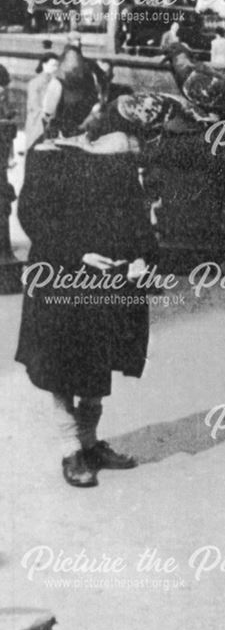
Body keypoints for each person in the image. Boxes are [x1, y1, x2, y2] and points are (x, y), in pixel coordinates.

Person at [15, 93, 168, 488]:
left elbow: (135, 214)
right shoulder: (47, 154)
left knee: (99, 359)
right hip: (64, 274)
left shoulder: (118, 153)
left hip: (111, 276)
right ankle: (70, 449)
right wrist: (79, 253)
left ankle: (90, 440)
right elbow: (34, 217)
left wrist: (142, 257)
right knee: (63, 362)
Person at [40, 45, 103, 139]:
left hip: (79, 131)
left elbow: (96, 103)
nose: (74, 69)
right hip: (67, 133)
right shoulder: (57, 84)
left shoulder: (87, 80)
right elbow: (47, 114)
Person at [24, 52, 59, 150]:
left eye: (57, 66)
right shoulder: (34, 83)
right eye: (53, 65)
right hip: (37, 123)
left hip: (51, 124)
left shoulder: (55, 83)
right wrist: (47, 116)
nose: (55, 68)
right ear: (44, 64)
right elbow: (34, 105)